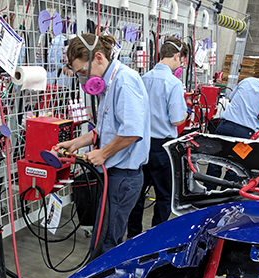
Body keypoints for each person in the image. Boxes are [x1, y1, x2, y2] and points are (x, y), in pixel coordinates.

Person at [55, 33, 150, 256]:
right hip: (113, 175)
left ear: (98, 57)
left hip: (123, 176)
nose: (82, 79)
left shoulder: (124, 82)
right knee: (102, 236)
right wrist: (76, 143)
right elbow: (106, 129)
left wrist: (103, 154)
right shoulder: (108, 85)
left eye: (81, 72)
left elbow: (132, 132)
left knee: (106, 244)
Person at [126, 37, 188, 239]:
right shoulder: (174, 84)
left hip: (140, 143)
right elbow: (178, 120)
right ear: (177, 56)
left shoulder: (142, 78)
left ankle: (133, 235)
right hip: (163, 148)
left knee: (137, 193)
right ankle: (155, 237)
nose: (180, 65)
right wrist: (186, 114)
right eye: (181, 60)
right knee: (164, 195)